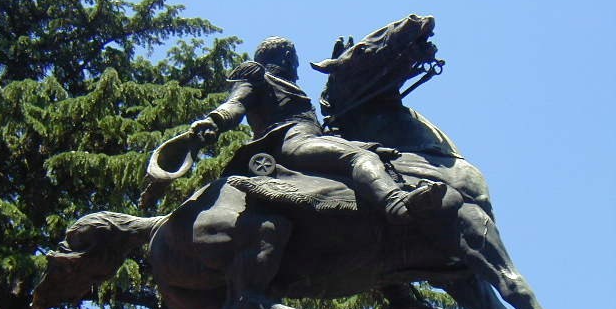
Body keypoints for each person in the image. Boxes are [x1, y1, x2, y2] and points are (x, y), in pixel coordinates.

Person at [191, 36, 447, 224]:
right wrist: (214, 120)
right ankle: (396, 203)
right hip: (291, 141)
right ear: (286, 58)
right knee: (361, 157)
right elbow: (235, 104)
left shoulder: (285, 85)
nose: (298, 71)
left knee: (370, 169)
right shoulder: (257, 76)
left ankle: (396, 289)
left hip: (308, 138)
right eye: (296, 62)